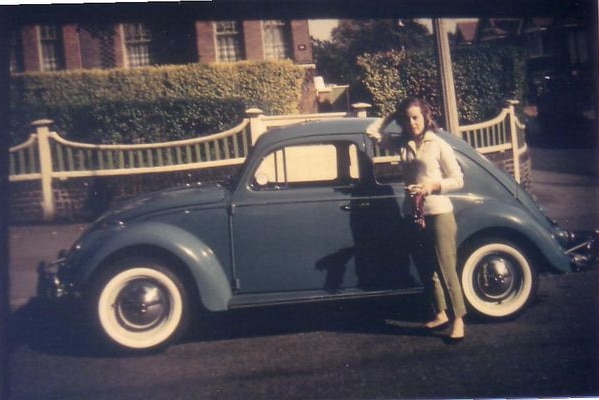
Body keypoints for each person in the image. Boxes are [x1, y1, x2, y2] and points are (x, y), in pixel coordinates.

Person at [366, 97, 467, 340]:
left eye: (416, 117)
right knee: (425, 267)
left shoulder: (438, 144)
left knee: (445, 268)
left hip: (438, 212)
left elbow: (458, 179)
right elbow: (371, 132)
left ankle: (458, 321)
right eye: (407, 118)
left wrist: (432, 186)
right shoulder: (402, 144)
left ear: (425, 117)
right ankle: (440, 313)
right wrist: (392, 114)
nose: (412, 123)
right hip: (412, 212)